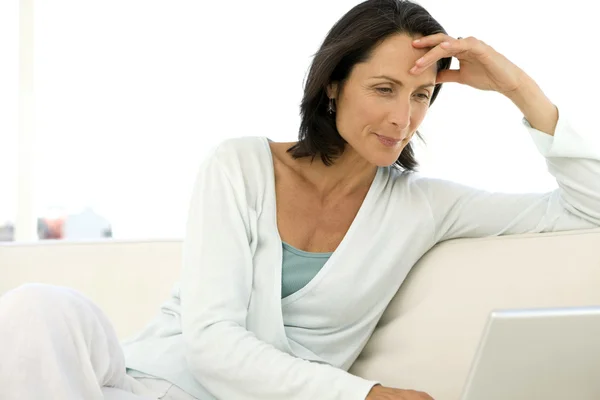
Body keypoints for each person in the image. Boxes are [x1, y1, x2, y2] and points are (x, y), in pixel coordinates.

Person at [1, 0, 599, 399]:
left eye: (421, 95)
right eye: (384, 89)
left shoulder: (426, 206)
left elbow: (588, 207)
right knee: (37, 306)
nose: (402, 118)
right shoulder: (239, 165)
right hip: (138, 382)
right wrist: (365, 394)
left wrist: (516, 86)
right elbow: (209, 343)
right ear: (334, 84)